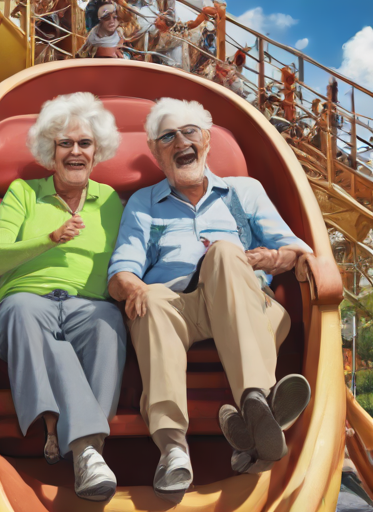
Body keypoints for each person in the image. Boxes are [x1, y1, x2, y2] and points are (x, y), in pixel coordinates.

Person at [108, 97, 313, 502]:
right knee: (150, 303)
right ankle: (175, 448)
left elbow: (295, 250)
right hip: (177, 305)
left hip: (244, 298)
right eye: (168, 136)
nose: (180, 141)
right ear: (155, 151)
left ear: (207, 140)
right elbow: (122, 269)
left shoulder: (244, 191)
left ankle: (253, 400)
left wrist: (272, 257)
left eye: (189, 132)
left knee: (222, 252)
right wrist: (134, 287)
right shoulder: (144, 203)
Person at [0, 92, 126, 502]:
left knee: (108, 325)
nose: (75, 152)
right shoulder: (23, 192)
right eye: (65, 143)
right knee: (29, 317)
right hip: (26, 300)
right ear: (49, 150)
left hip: (90, 305)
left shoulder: (111, 201)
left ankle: (63, 435)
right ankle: (87, 449)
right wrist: (50, 238)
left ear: (97, 151)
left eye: (84, 143)